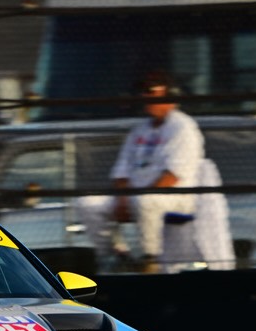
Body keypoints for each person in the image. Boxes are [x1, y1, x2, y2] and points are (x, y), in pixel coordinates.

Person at [78, 70, 206, 273]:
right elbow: (121, 170)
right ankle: (112, 256)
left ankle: (151, 260)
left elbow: (173, 175)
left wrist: (136, 198)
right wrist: (123, 199)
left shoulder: (183, 127)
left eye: (153, 93)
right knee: (88, 203)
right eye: (145, 93)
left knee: (146, 201)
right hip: (134, 195)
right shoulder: (140, 129)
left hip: (176, 195)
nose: (147, 98)